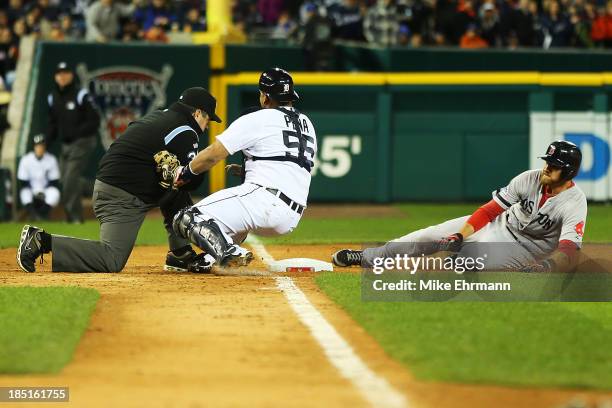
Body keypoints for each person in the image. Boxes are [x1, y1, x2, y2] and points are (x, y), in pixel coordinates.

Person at [17, 87, 220, 273]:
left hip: (114, 185)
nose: (206, 126)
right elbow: (192, 181)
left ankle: (180, 253)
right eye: (208, 119)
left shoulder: (159, 117)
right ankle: (41, 242)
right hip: (121, 196)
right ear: (197, 113)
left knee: (174, 188)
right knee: (111, 259)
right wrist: (201, 166)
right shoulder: (186, 130)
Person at [333, 141, 587, 273]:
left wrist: (548, 267)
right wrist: (459, 234)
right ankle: (367, 258)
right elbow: (489, 211)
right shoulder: (529, 177)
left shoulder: (574, 203)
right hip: (499, 225)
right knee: (428, 235)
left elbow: (569, 249)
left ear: (568, 171)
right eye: (547, 161)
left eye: (553, 165)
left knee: (466, 259)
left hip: (526, 250)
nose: (546, 167)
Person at [171, 68, 317, 271]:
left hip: (265, 202)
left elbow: (214, 154)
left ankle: (229, 252)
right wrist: (249, 168)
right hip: (292, 215)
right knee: (222, 222)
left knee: (187, 217)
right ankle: (212, 260)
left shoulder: (260, 118)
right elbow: (293, 163)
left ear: (265, 97)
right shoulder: (307, 124)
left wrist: (186, 172)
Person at [47, 61, 100, 223]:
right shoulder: (52, 97)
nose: (62, 76)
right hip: (66, 144)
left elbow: (94, 120)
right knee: (67, 180)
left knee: (70, 178)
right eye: (59, 73)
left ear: (71, 75)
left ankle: (74, 218)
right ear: (55, 77)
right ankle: (97, 187)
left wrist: (77, 132)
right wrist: (46, 143)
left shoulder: (80, 94)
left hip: (83, 141)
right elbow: (52, 124)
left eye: (65, 73)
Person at [17, 134, 60, 220]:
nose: (40, 148)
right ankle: (33, 215)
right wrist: (34, 193)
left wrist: (42, 193)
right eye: (37, 145)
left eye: (42, 145)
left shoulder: (51, 159)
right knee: (25, 193)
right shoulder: (26, 159)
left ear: (45, 147)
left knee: (55, 193)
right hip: (31, 188)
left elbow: (54, 181)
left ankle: (42, 215)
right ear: (34, 147)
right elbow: (23, 181)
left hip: (45, 189)